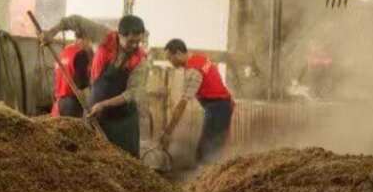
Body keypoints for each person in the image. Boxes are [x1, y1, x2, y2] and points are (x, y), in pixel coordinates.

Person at [42, 13, 148, 157]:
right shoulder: (105, 37)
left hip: (123, 119)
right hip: (97, 112)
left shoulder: (139, 59)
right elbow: (76, 21)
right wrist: (51, 33)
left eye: (138, 41)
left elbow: (133, 92)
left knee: (126, 160)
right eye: (131, 41)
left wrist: (104, 104)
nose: (135, 46)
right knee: (94, 157)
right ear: (120, 35)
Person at [164, 39, 234, 166]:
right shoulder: (199, 58)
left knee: (208, 151)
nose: (170, 62)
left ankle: (207, 181)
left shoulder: (193, 71)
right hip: (221, 105)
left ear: (178, 53)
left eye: (170, 58)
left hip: (218, 107)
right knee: (208, 148)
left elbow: (182, 104)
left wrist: (168, 132)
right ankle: (206, 178)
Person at [49, 32, 93, 119]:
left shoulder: (64, 52)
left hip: (59, 102)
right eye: (89, 41)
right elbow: (81, 83)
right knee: (74, 131)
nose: (89, 45)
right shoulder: (81, 54)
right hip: (72, 102)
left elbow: (56, 76)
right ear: (86, 39)